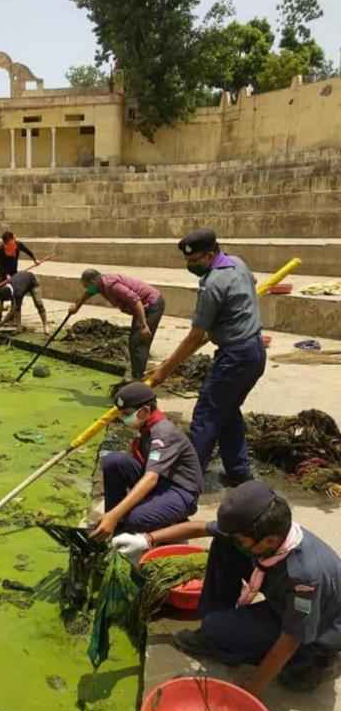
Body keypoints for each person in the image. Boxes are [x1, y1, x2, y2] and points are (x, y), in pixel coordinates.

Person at [112, 480, 341, 696]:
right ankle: (216, 623)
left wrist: (252, 687)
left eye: (242, 539)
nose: (237, 541)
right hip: (281, 604)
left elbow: (292, 636)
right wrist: (146, 539)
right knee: (224, 544)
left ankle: (317, 660)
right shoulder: (267, 534)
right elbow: (200, 528)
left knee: (289, 673)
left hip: (320, 626)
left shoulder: (304, 576)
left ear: (269, 541)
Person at [147, 229, 266, 487]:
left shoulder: (212, 285)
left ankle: (187, 479)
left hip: (235, 355)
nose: (190, 265)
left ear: (211, 255)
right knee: (228, 409)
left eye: (194, 261)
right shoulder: (238, 263)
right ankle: (238, 471)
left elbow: (195, 336)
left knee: (207, 414)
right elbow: (253, 282)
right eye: (187, 261)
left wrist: (164, 370)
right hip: (255, 351)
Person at [89, 382, 203, 542]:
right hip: (162, 481)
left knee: (136, 519)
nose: (123, 419)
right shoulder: (146, 427)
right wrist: (114, 515)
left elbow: (150, 479)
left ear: (144, 411)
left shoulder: (163, 434)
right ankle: (113, 524)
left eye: (127, 414)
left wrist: (116, 514)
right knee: (113, 461)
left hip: (180, 490)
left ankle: (171, 522)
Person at [69, 269, 165, 380]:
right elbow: (88, 293)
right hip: (141, 308)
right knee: (133, 341)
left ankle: (139, 376)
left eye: (88, 286)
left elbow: (137, 301)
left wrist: (144, 326)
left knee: (140, 340)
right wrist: (77, 307)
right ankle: (136, 373)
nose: (88, 289)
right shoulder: (99, 285)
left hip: (151, 304)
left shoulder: (112, 286)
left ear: (94, 281)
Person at [0, 271, 49, 335]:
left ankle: (45, 325)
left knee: (38, 303)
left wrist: (0, 325)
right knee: (17, 308)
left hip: (33, 282)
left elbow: (12, 310)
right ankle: (19, 327)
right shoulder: (3, 290)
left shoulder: (18, 292)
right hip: (21, 282)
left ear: (10, 296)